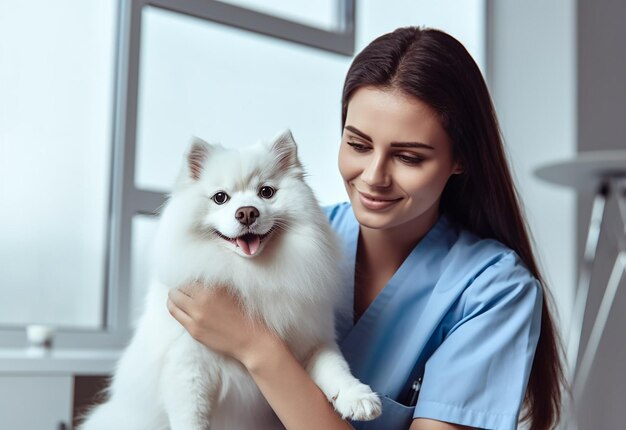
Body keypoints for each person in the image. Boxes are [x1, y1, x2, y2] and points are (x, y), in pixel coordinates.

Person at [167, 27, 564, 430]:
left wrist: (256, 346)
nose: (374, 177)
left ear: (459, 159)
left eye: (408, 157)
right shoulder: (284, 235)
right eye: (357, 145)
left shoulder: (493, 291)